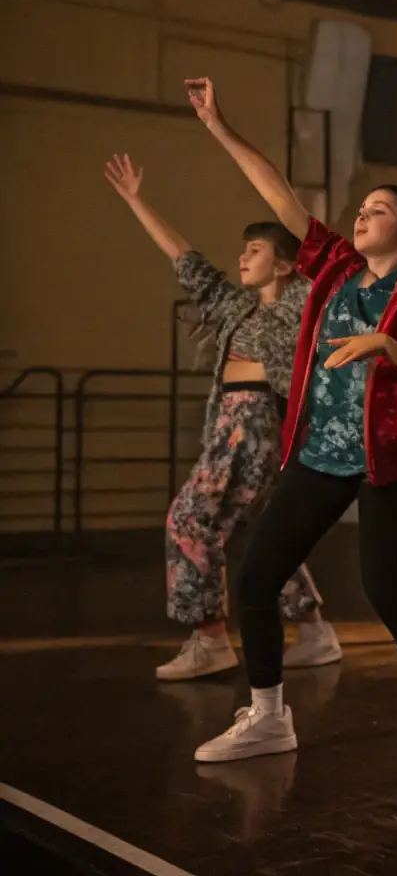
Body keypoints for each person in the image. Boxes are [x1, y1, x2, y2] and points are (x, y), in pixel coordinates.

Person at [182, 78, 397, 782]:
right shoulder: (339, 268)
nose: (361, 215)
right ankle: (267, 717)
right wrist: (219, 126)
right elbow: (277, 192)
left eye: (378, 211)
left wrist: (385, 346)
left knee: (386, 588)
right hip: (320, 454)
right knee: (255, 575)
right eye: (361, 208)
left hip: (385, 462)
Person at [103, 154, 341, 681]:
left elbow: (311, 254)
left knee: (190, 518)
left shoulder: (302, 300)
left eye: (255, 250)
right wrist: (136, 200)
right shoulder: (237, 309)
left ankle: (209, 637)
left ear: (283, 265)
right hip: (238, 425)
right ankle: (316, 632)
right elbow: (186, 258)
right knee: (268, 533)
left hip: (254, 427)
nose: (242, 256)